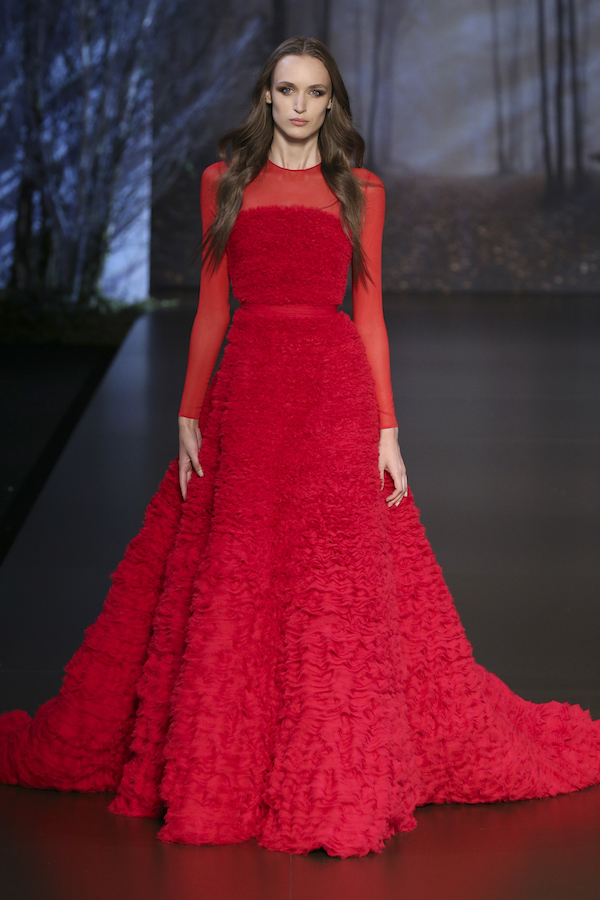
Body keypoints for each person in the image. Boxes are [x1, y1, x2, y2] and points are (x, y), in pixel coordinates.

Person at [1, 36, 600, 859]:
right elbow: (212, 308)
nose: (298, 106)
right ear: (267, 97)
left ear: (330, 102)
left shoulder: (360, 190)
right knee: (237, 570)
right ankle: (230, 767)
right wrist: (188, 412)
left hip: (330, 395)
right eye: (286, 90)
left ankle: (329, 768)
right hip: (246, 393)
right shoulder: (227, 182)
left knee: (331, 583)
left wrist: (389, 432)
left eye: (314, 92)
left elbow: (370, 314)